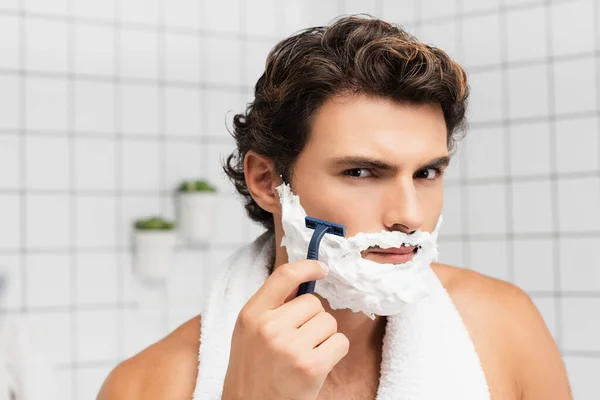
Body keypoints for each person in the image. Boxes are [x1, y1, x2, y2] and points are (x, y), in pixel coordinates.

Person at [98, 16, 572, 399]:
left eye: (427, 173)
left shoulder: (504, 324)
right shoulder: (147, 386)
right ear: (266, 181)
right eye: (361, 172)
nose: (409, 215)